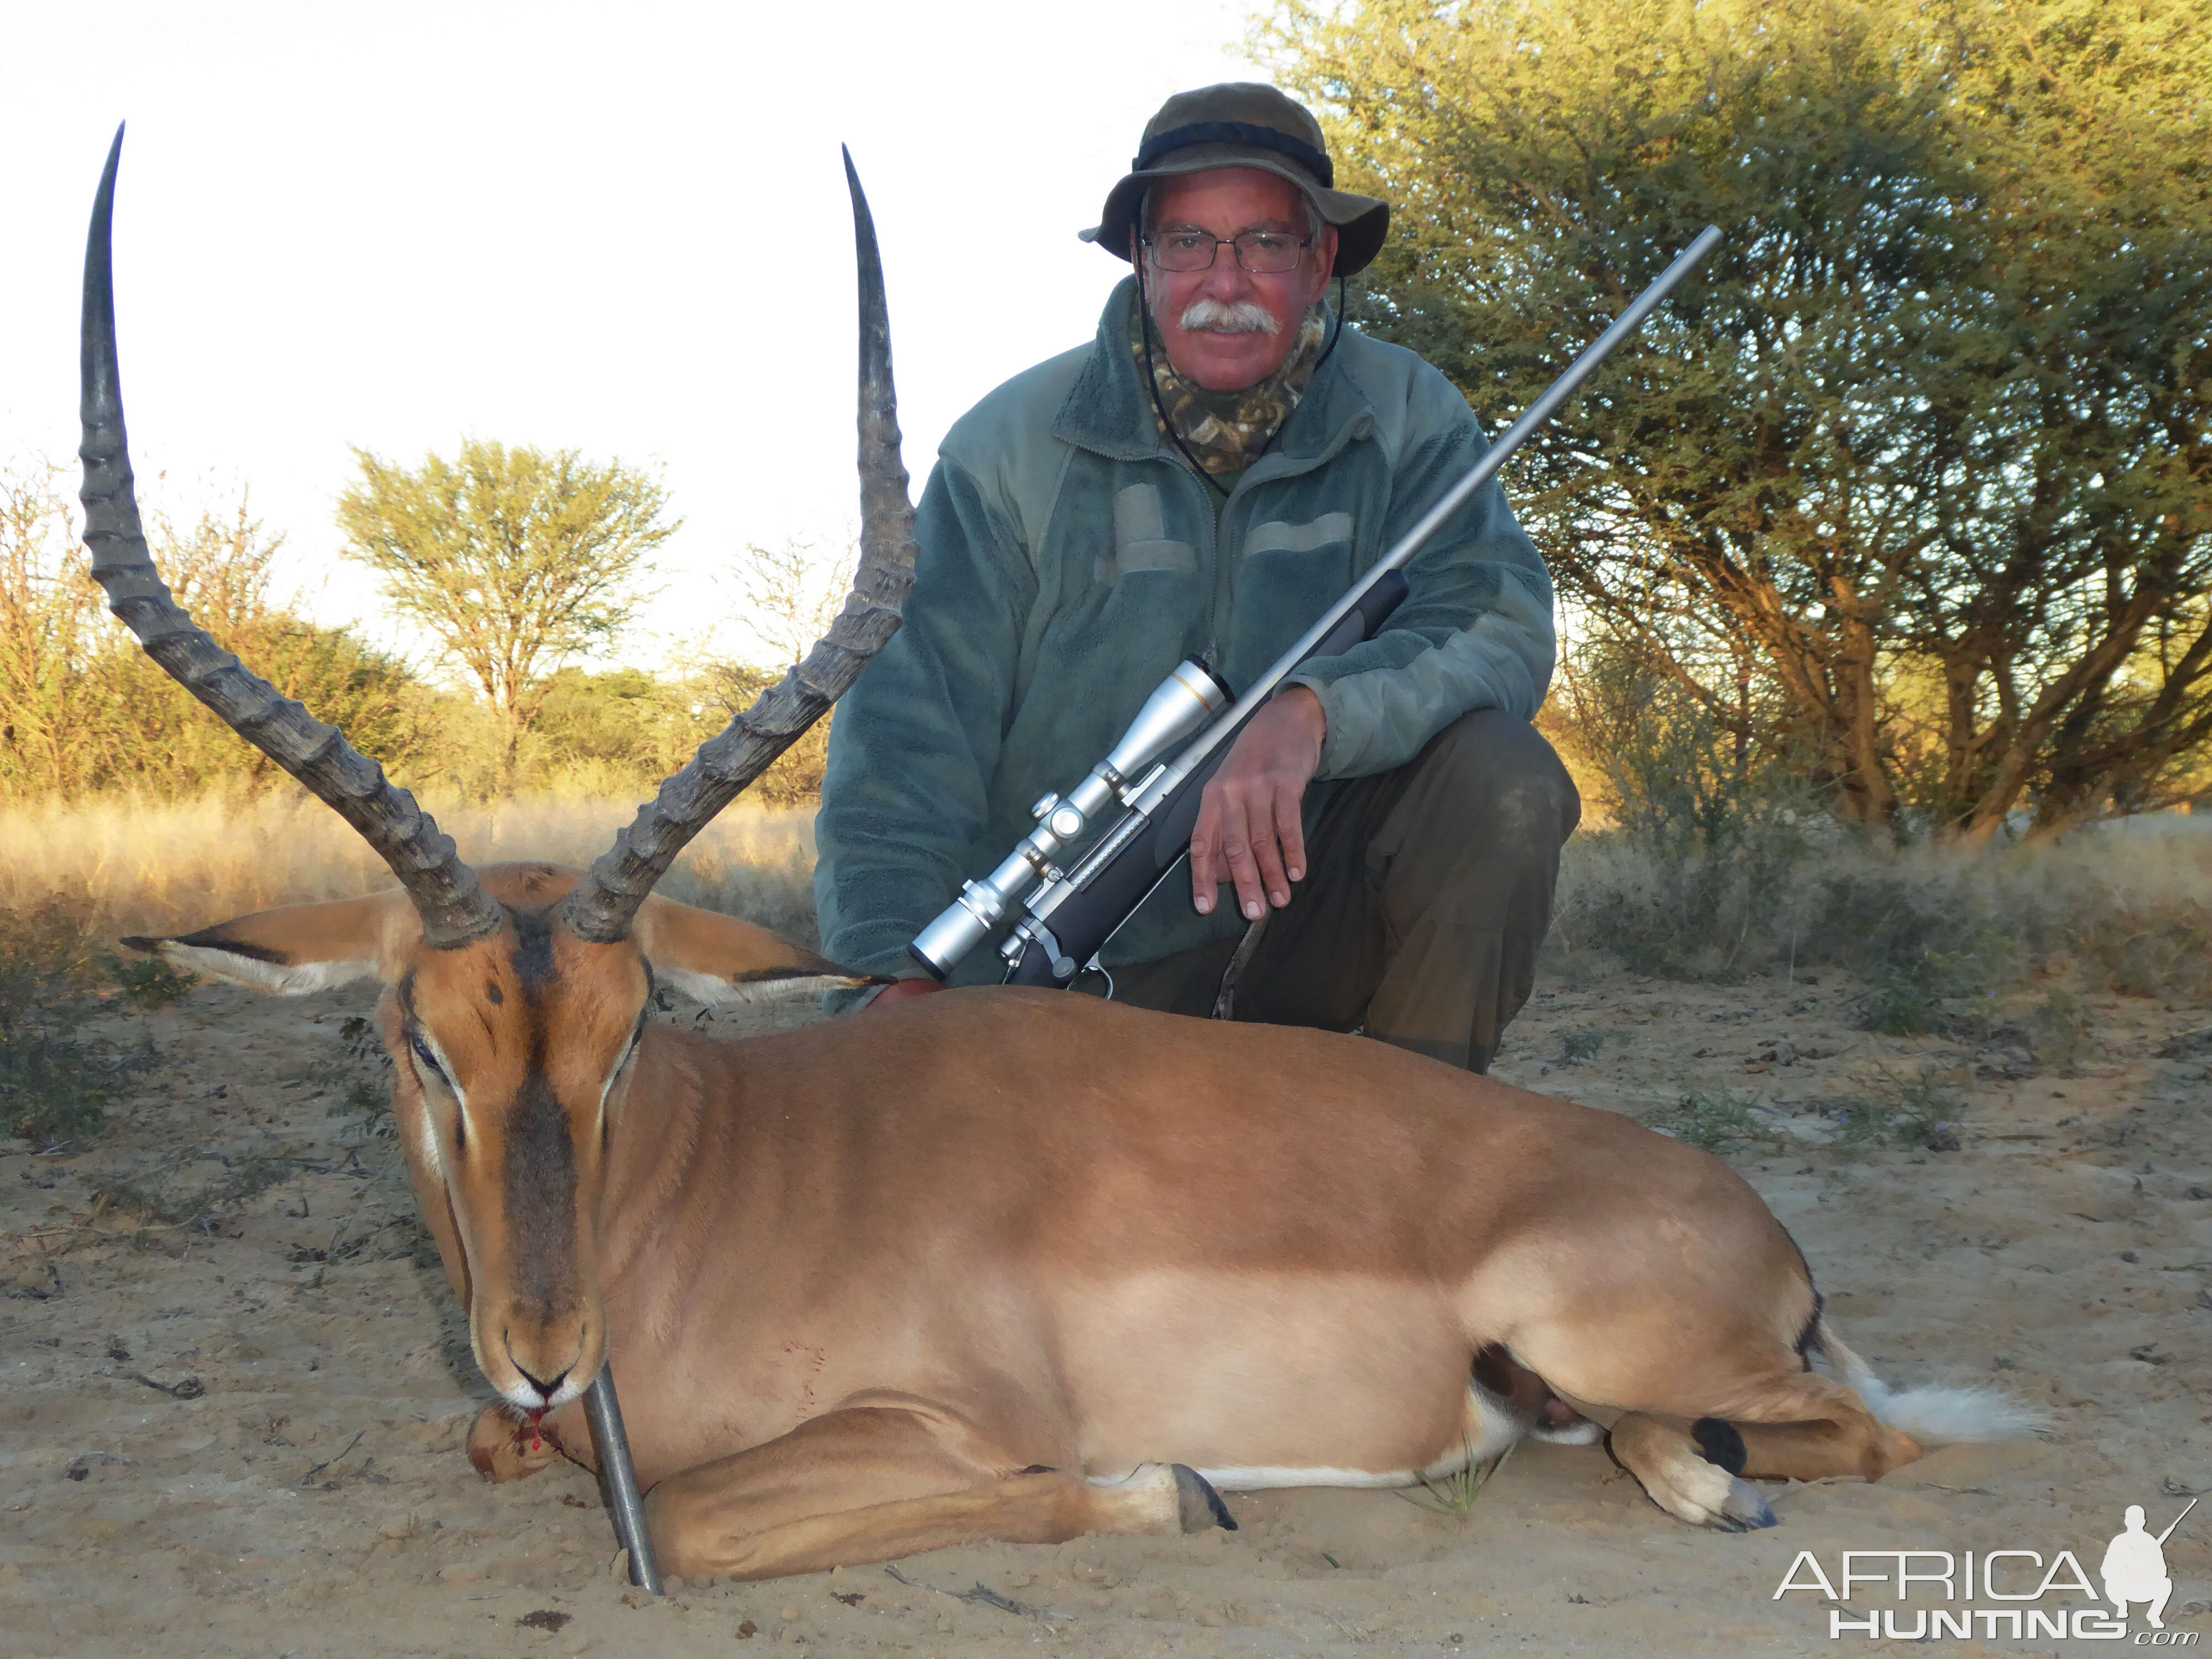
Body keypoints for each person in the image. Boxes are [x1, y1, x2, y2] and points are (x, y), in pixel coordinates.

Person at [814, 82, 1577, 1073]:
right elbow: (901, 750)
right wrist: (889, 975)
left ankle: (1405, 1160)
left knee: (1504, 784)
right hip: (1069, 969)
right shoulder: (1007, 448)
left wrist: (1313, 713)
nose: (1227, 280)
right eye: (1188, 244)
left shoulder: (1407, 412)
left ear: (1321, 260)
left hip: (1307, 929)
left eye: (1265, 242)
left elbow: (1500, 619)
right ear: (1141, 257)